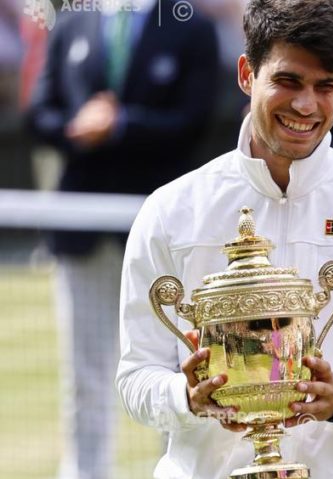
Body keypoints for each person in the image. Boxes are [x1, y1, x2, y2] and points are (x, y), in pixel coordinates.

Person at [115, 1, 333, 478]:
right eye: (288, 81)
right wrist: (185, 397)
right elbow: (135, 376)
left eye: (327, 87)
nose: (306, 105)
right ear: (246, 74)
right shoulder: (171, 211)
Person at [26, 1, 218, 477]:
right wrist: (79, 126)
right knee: (86, 375)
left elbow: (197, 118)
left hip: (165, 239)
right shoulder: (71, 24)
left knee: (178, 371)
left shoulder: (191, 25)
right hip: (82, 232)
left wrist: (123, 123)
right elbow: (40, 113)